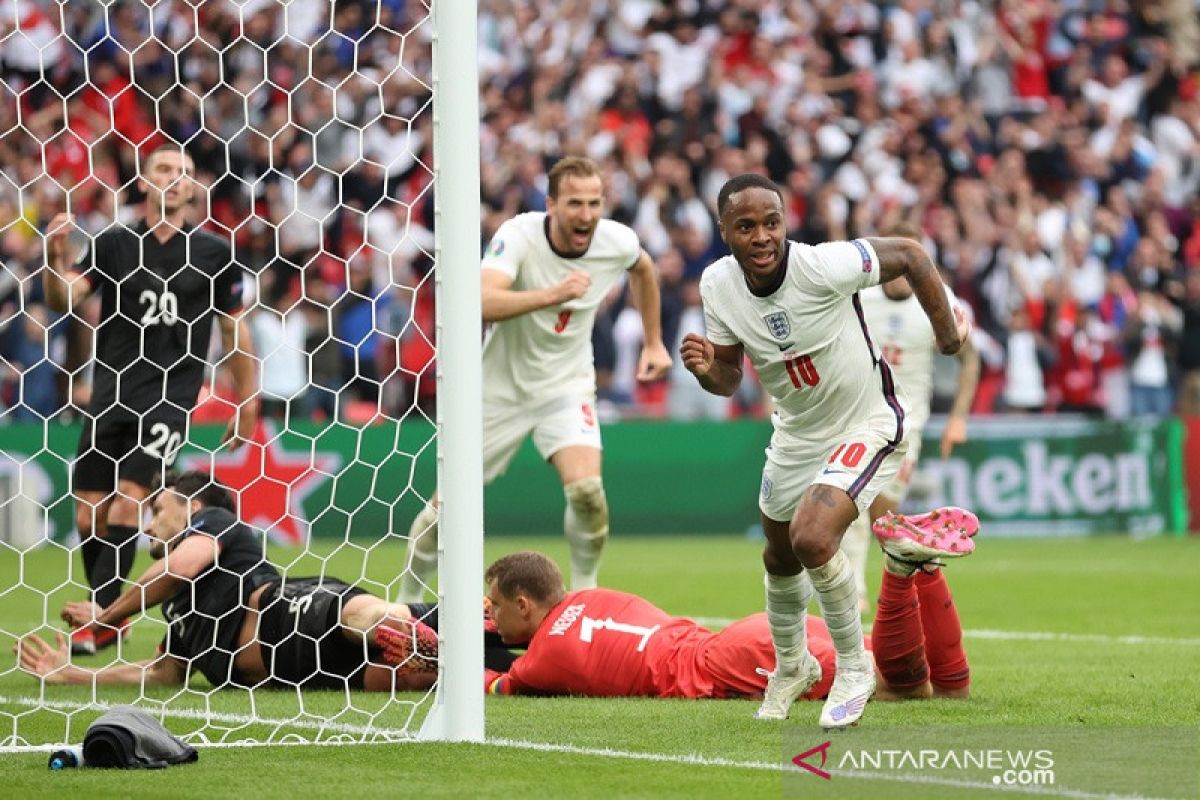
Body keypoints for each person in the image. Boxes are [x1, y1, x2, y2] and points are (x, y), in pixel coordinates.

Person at [679, 174, 971, 728]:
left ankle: (856, 666)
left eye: (772, 222)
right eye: (747, 226)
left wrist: (948, 336)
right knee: (778, 554)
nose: (763, 236)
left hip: (867, 419)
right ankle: (793, 665)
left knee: (812, 536)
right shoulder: (717, 285)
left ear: (786, 221)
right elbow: (727, 376)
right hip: (796, 431)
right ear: (724, 232)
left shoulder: (821, 265)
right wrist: (704, 371)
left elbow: (910, 253)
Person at [397, 156, 672, 601]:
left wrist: (654, 342)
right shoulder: (518, 235)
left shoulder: (617, 240)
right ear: (551, 204)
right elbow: (480, 302)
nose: (586, 215)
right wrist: (553, 294)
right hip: (498, 390)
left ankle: (583, 595)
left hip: (565, 387)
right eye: (574, 203)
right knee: (441, 512)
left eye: (594, 203)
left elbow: (643, 269)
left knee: (587, 492)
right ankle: (408, 603)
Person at [42, 145, 258, 656]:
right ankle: (108, 618)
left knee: (128, 500)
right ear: (143, 182)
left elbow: (234, 330)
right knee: (87, 514)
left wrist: (247, 403)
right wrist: (54, 261)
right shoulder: (114, 244)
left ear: (192, 189)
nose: (176, 179)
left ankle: (100, 618)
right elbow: (65, 299)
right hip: (111, 392)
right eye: (164, 169)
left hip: (170, 395)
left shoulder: (212, 253)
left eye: (185, 172)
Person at [14, 471, 437, 692]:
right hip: (302, 673)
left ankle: (469, 621)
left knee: (375, 622)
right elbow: (163, 673)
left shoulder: (214, 523)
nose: (149, 526)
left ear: (192, 508)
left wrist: (106, 616)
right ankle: (495, 666)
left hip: (288, 614)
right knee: (410, 679)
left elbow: (180, 566)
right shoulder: (180, 611)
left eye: (158, 511)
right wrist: (71, 675)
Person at [482, 513, 976, 702]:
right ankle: (926, 574)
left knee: (904, 688)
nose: (492, 616)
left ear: (525, 605)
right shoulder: (592, 597)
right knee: (949, 687)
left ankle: (899, 569)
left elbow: (492, 683)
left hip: (732, 662)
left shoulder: (543, 661)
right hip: (741, 636)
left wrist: (428, 657)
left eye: (497, 607)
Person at [842, 223, 981, 612]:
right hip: (858, 414)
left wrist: (958, 419)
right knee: (852, 503)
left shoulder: (939, 299)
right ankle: (854, 594)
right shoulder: (859, 295)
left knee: (882, 510)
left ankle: (914, 577)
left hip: (907, 423)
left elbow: (971, 359)